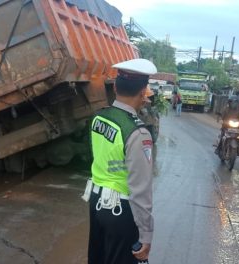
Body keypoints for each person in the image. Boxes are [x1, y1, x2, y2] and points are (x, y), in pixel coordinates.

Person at [87, 58, 156, 264]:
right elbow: (140, 188)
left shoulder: (99, 118)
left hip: (96, 203)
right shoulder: (137, 132)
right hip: (121, 211)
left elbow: (103, 158)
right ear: (143, 93)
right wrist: (146, 234)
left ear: (115, 87)